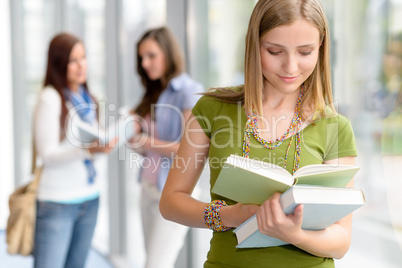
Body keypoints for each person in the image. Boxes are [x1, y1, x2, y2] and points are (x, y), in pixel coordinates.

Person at [160, 0, 358, 267]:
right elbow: (171, 202)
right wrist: (228, 216)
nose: (290, 67)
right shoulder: (212, 109)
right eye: (275, 51)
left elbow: (341, 242)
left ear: (320, 48)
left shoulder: (335, 127)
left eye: (305, 52)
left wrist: (293, 234)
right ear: (254, 46)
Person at [33, 33, 116, 268]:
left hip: (89, 199)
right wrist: (88, 151)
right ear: (59, 63)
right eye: (73, 60)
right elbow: (47, 155)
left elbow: (91, 141)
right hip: (58, 202)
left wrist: (106, 143)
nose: (81, 65)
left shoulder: (87, 98)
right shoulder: (50, 98)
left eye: (84, 57)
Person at [130, 27, 203, 268]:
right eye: (142, 58)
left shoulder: (188, 91)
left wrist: (144, 141)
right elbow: (148, 148)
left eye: (151, 55)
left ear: (168, 53)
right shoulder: (153, 92)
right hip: (148, 189)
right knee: (151, 262)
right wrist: (133, 138)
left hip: (174, 193)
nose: (145, 63)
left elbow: (188, 148)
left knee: (156, 265)